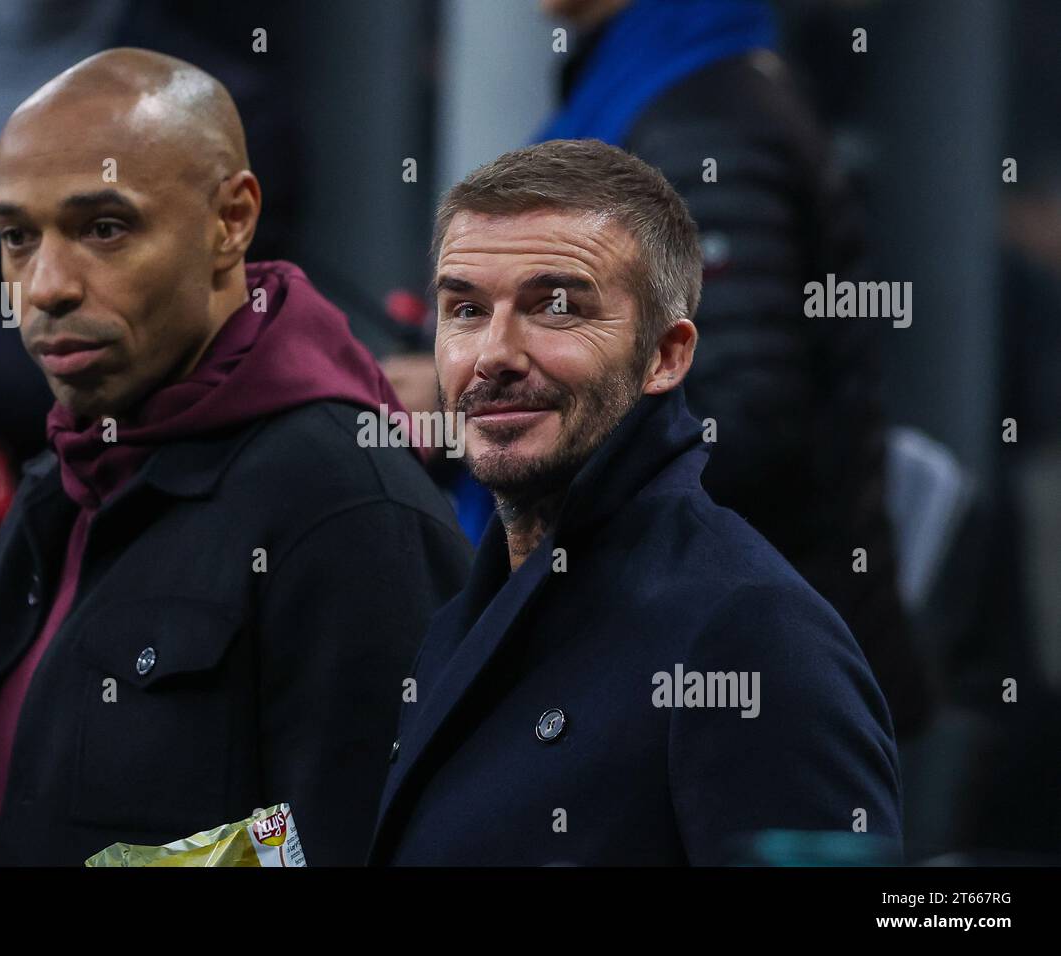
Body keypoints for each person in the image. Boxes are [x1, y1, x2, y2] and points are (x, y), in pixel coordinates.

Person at [0, 49, 471, 867]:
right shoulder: (61, 485)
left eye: (104, 227)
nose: (46, 286)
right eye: (17, 238)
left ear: (231, 221)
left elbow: (359, 846)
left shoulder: (349, 509)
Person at [368, 140, 902, 866]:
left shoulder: (750, 630)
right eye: (464, 309)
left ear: (666, 356)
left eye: (555, 307)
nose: (492, 353)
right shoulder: (463, 617)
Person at [534, 0, 933, 738]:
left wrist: (514, 406)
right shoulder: (675, 86)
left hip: (744, 674)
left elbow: (742, 424)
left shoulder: (703, 116)